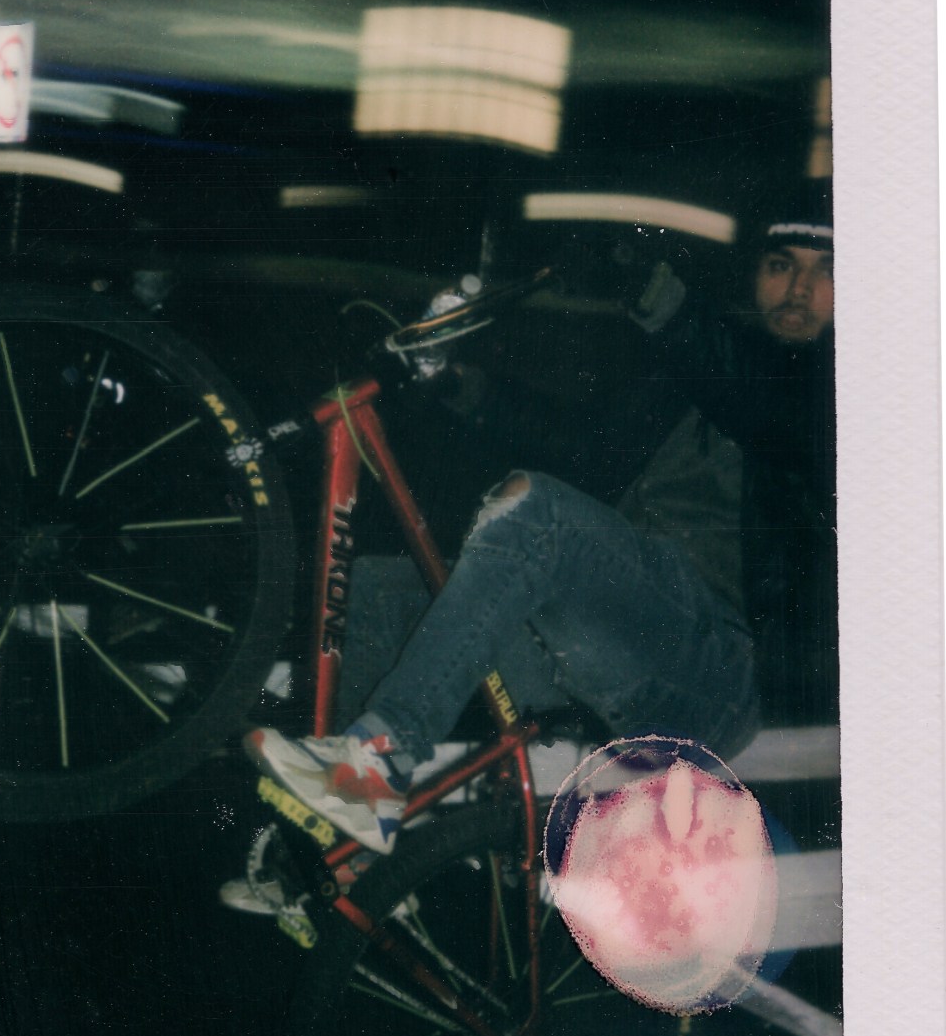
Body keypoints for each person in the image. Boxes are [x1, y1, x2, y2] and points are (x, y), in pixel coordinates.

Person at [235, 198, 836, 861]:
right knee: (375, 593)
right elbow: (581, 448)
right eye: (781, 265)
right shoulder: (695, 376)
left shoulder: (837, 395)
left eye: (826, 270)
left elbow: (762, 403)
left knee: (537, 513)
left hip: (712, 676)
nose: (799, 287)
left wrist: (652, 289)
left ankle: (378, 761)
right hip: (611, 643)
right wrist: (456, 384)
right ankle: (324, 860)